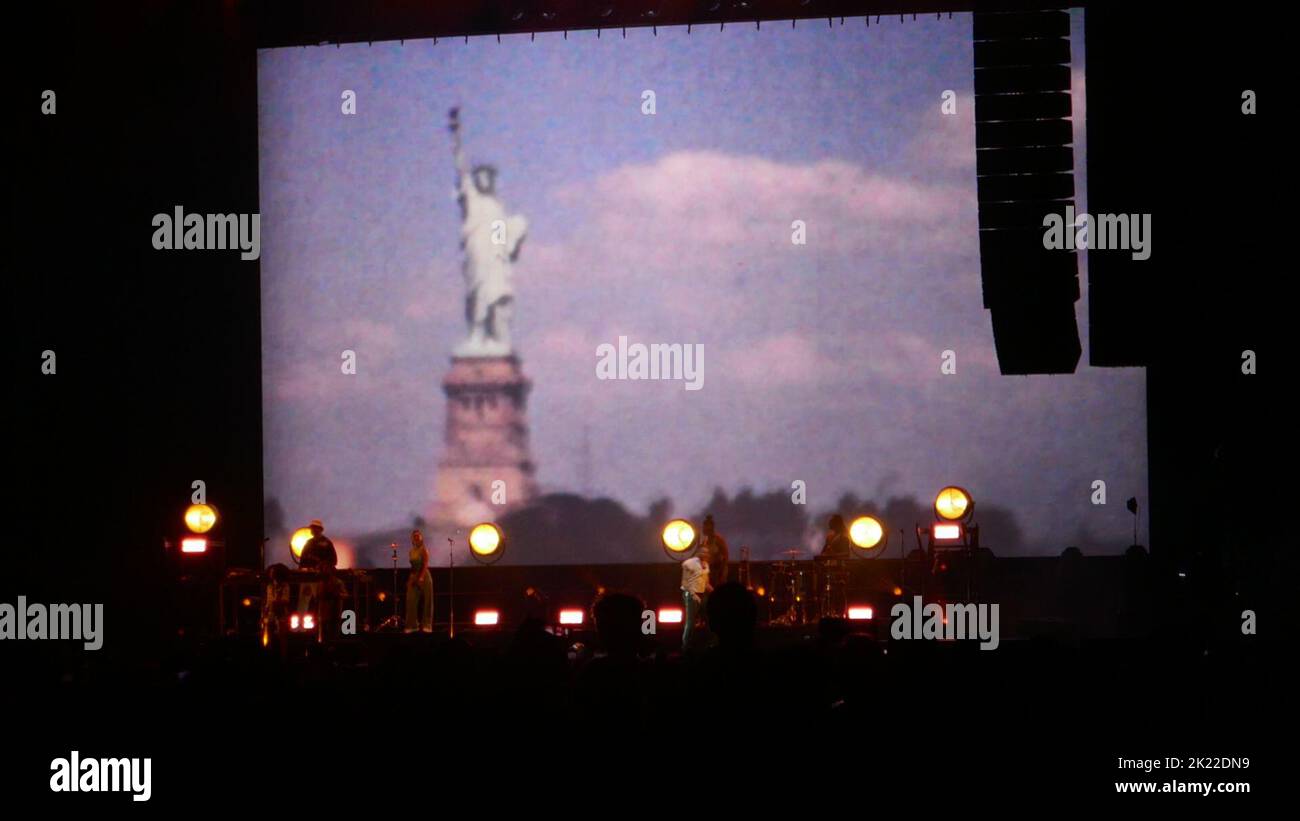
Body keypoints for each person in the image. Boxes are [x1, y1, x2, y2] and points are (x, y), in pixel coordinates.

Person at [297, 519, 337, 612]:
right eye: (312, 528)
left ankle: (321, 620)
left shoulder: (327, 543)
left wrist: (323, 566)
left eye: (315, 528)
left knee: (320, 601)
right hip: (308, 577)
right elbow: (302, 559)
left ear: (320, 529)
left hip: (321, 578)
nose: (313, 530)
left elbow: (334, 560)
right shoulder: (308, 543)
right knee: (303, 601)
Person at [680, 547, 712, 651]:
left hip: (702, 594)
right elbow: (685, 582)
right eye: (703, 552)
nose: (705, 554)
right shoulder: (690, 563)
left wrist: (716, 592)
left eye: (707, 552)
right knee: (690, 621)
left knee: (708, 618)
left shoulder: (706, 565)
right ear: (698, 552)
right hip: (691, 593)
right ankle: (686, 646)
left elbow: (706, 583)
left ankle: (710, 644)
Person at [405, 529, 434, 633]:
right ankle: (412, 625)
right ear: (412, 539)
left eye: (418, 535)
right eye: (414, 536)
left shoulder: (424, 550)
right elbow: (413, 567)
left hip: (424, 575)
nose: (416, 537)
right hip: (414, 574)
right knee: (410, 599)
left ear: (421, 538)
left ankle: (427, 625)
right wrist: (411, 579)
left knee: (427, 601)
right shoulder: (411, 551)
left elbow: (425, 564)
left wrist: (421, 577)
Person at [700, 514, 729, 585]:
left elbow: (725, 555)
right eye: (704, 527)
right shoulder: (704, 541)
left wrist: (723, 571)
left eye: (707, 527)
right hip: (707, 570)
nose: (705, 529)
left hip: (718, 569)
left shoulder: (718, 540)